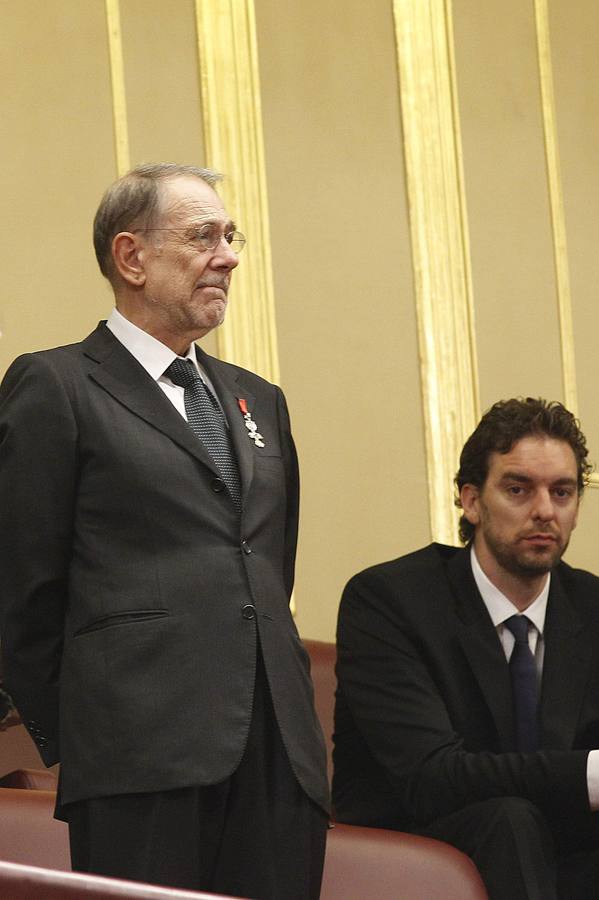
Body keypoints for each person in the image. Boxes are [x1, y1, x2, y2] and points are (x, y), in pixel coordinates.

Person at [0, 163, 329, 898]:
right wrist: (95, 732)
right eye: (203, 236)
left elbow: (271, 569)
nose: (229, 255)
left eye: (230, 235)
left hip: (279, 756)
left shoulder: (260, 401)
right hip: (139, 756)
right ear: (131, 257)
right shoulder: (56, 386)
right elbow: (22, 586)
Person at [333, 397, 599, 899]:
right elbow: (431, 777)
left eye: (562, 492)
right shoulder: (390, 600)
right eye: (518, 489)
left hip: (562, 864)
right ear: (471, 501)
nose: (544, 510)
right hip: (424, 863)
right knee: (510, 821)